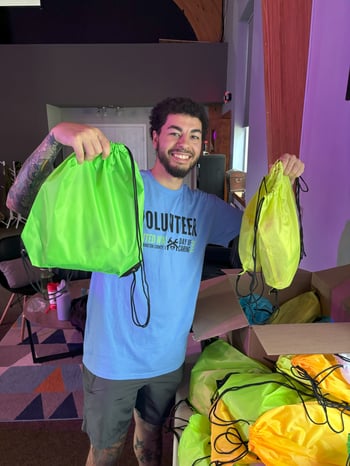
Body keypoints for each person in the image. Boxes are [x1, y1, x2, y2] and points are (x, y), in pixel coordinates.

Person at [7, 97, 305, 466]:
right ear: (155, 139)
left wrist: (282, 186)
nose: (185, 142)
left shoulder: (207, 208)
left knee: (150, 442)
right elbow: (18, 202)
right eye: (175, 132)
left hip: (167, 360)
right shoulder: (118, 190)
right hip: (111, 360)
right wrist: (56, 137)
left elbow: (263, 243)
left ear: (202, 146)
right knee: (105, 452)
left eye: (194, 135)